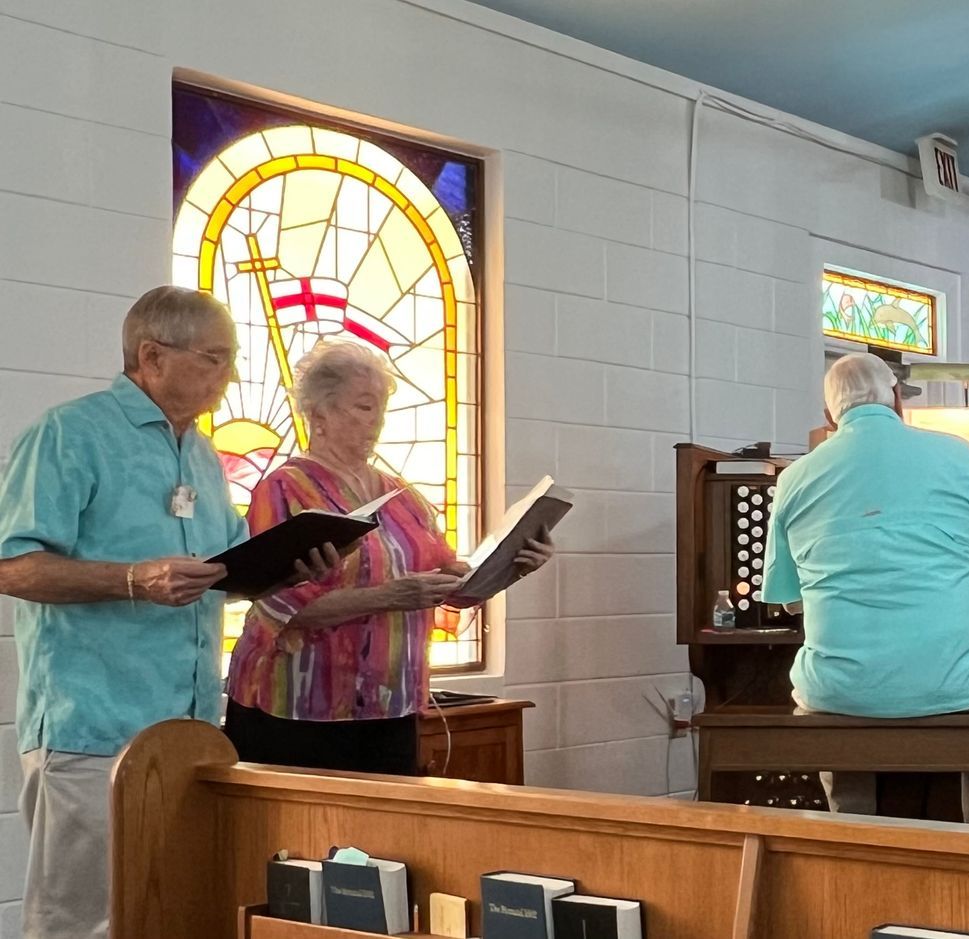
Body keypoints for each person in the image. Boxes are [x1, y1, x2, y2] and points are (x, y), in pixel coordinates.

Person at [0, 286, 336, 939]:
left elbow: (223, 571)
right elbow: (13, 566)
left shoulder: (201, 454)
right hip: (91, 726)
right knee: (84, 923)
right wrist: (134, 579)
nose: (229, 374)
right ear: (152, 356)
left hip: (189, 729)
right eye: (214, 357)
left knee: (173, 913)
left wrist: (289, 566)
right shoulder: (69, 434)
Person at [222, 339, 554, 775]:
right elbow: (280, 607)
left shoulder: (401, 496)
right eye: (364, 406)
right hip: (300, 708)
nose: (377, 420)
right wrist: (390, 596)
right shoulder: (285, 489)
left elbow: (451, 588)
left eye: (381, 407)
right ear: (319, 414)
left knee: (388, 821)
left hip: (391, 705)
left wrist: (510, 565)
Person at [761, 352, 969, 826]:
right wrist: (961, 596)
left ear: (829, 417)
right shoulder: (958, 455)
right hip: (960, 684)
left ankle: (853, 833)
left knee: (830, 696)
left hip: (841, 690)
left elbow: (790, 601)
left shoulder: (793, 479)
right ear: (898, 401)